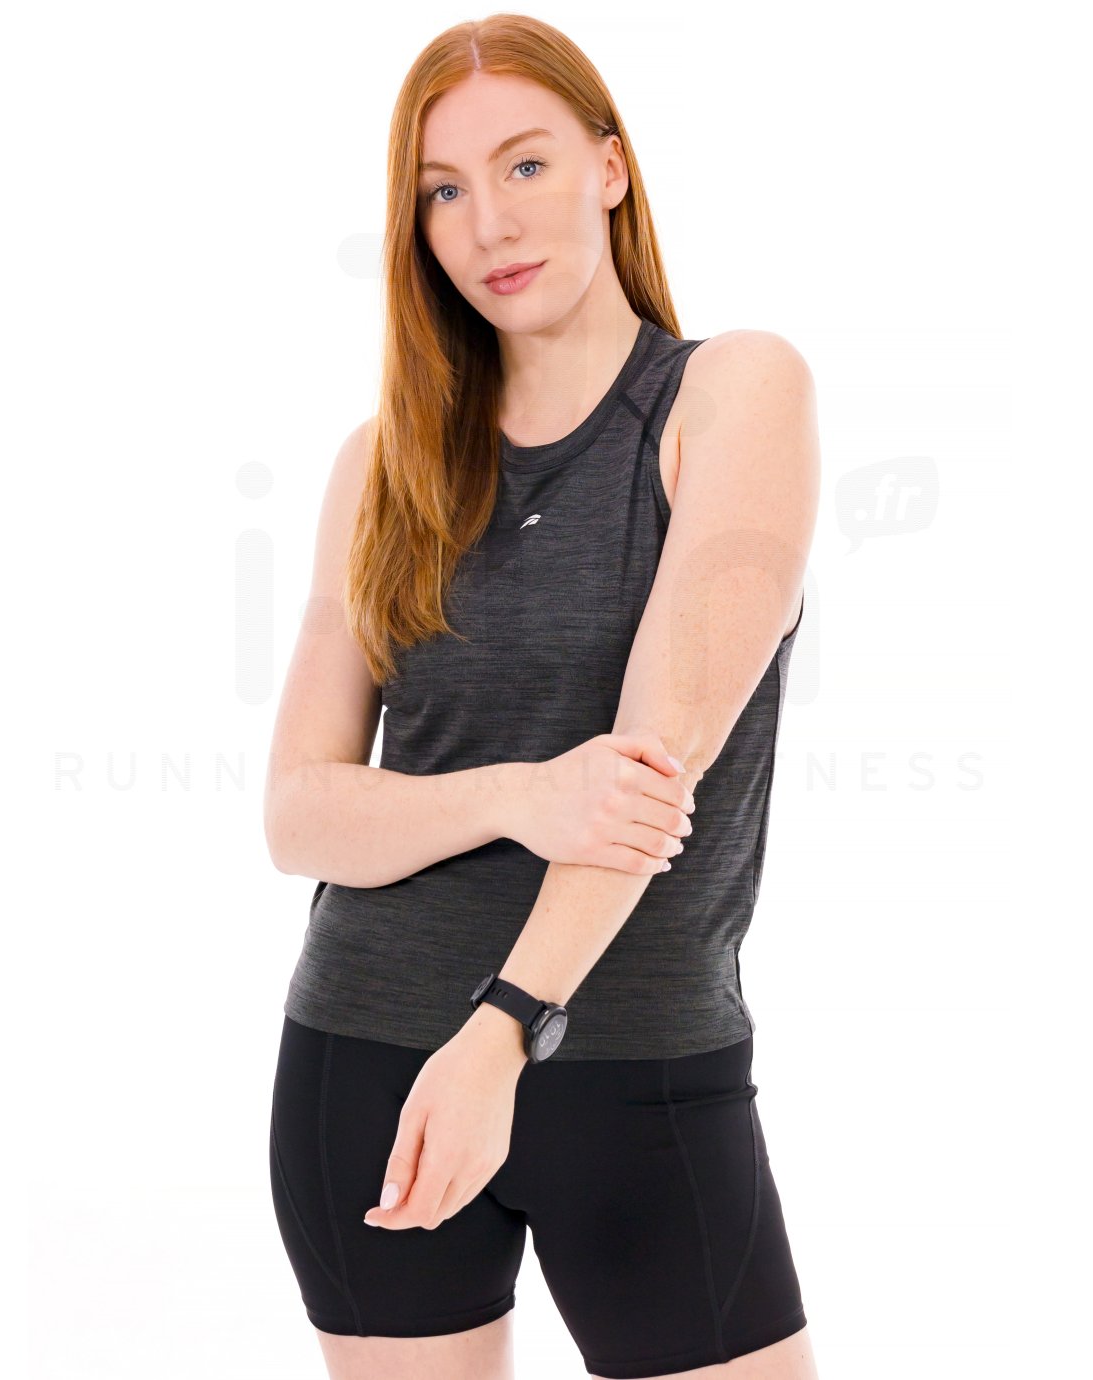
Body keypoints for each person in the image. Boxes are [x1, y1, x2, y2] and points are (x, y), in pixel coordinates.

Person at [263, 15, 818, 1379]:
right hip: (365, 1061)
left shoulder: (731, 393)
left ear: (610, 169)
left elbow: (648, 769)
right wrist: (520, 793)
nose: (488, 223)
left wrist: (502, 1031)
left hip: (634, 1070)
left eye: (525, 164)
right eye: (442, 190)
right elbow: (299, 815)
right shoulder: (381, 466)